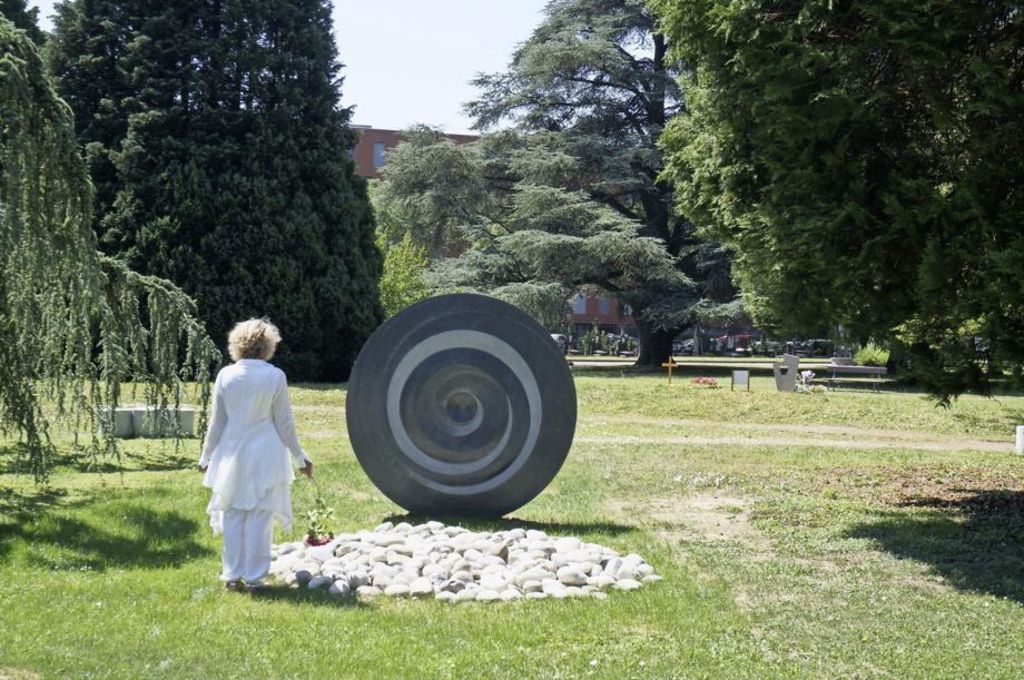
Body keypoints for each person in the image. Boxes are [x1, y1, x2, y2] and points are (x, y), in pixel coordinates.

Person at [198, 318, 313, 592]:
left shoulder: (226, 375)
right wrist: (300, 458)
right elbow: (284, 423)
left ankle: (232, 574)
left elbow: (217, 422)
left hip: (232, 452)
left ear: (236, 344)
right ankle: (255, 577)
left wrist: (205, 457)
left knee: (235, 513)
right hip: (266, 452)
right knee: (260, 515)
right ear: (267, 346)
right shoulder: (275, 376)